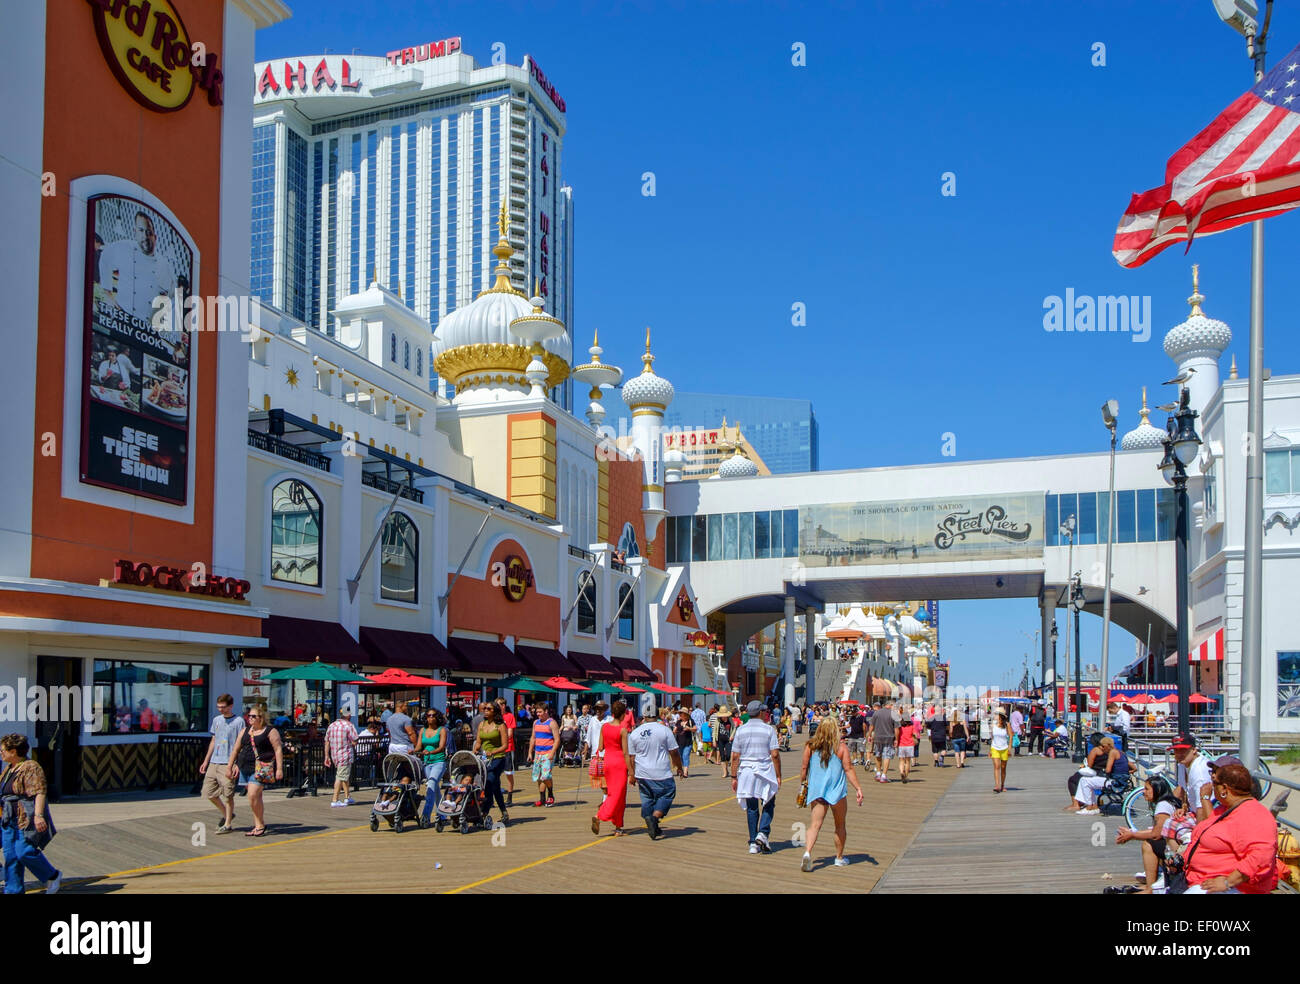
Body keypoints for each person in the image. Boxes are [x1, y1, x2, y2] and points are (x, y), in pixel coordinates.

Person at [1180, 763, 1278, 893]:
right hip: (1198, 879)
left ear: (1224, 789)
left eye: (1215, 783)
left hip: (1232, 888)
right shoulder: (1226, 809)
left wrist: (1228, 882)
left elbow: (1261, 856)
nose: (1212, 787)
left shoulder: (1254, 815)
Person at [798, 716, 864, 871]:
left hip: (817, 791)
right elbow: (848, 769)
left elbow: (803, 767)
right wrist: (858, 788)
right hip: (837, 792)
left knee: (815, 825)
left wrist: (803, 783)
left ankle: (807, 852)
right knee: (840, 825)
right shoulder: (841, 748)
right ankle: (839, 858)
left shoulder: (811, 746)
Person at [0, 734, 62, 894]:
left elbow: (40, 792)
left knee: (24, 851)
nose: (1, 753)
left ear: (13, 751)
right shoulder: (8, 768)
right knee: (11, 856)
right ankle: (13, 890)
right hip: (8, 818)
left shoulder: (31, 766)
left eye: (3, 750)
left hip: (24, 817)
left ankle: (52, 875)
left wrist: (39, 816)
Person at [1114, 774, 1184, 893]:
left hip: (1176, 847)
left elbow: (1156, 834)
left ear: (1157, 790)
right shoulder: (1169, 802)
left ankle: (1150, 887)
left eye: (1147, 789)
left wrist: (1132, 836)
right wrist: (1133, 833)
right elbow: (1158, 830)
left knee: (1148, 844)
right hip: (1178, 842)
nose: (1143, 792)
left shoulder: (1162, 805)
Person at [731, 700, 782, 855]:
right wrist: (778, 775)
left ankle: (753, 842)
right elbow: (774, 754)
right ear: (760, 712)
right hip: (764, 770)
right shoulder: (769, 730)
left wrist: (733, 776)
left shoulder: (741, 730)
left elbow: (735, 756)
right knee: (768, 803)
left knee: (752, 808)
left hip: (746, 771)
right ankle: (763, 832)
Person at [628, 708, 683, 839]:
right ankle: (654, 818)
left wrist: (632, 774)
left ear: (644, 716)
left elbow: (631, 757)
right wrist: (679, 767)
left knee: (647, 798)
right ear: (657, 715)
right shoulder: (664, 730)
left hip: (642, 773)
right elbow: (674, 752)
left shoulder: (635, 733)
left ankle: (653, 825)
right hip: (661, 772)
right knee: (668, 792)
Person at [228, 706, 282, 836]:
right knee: (254, 798)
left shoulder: (270, 731)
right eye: (249, 716)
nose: (250, 718)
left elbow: (278, 749)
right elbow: (236, 749)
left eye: (253, 716)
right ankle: (259, 824)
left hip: (260, 768)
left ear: (261, 718)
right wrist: (230, 766)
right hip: (244, 767)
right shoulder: (245, 731)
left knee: (252, 795)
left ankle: (260, 825)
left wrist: (279, 768)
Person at [199, 693, 245, 833]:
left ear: (230, 706)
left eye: (223, 707)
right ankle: (227, 814)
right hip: (215, 760)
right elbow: (214, 740)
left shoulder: (238, 721)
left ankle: (227, 824)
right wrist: (206, 761)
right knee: (209, 792)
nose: (221, 709)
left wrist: (236, 763)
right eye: (219, 707)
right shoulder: (216, 720)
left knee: (228, 794)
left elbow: (241, 743)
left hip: (228, 762)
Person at [592, 700, 631, 836]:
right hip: (619, 763)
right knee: (618, 795)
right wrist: (631, 771)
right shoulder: (623, 730)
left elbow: (601, 747)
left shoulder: (605, 727)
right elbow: (626, 753)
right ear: (622, 715)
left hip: (608, 761)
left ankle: (619, 827)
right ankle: (599, 816)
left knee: (615, 794)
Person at [1070, 736, 1130, 815]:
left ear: (1107, 746)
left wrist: (1106, 771)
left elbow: (1108, 770)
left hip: (1114, 782)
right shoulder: (1121, 752)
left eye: (1103, 746)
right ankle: (1094, 807)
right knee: (1088, 781)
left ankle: (1089, 807)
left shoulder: (1112, 752)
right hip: (1121, 781)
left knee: (1084, 781)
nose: (1101, 748)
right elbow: (1133, 767)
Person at [472, 703, 510, 823]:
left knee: (489, 781)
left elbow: (505, 745)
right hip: (485, 759)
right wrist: (476, 748)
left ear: (495, 711)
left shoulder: (500, 725)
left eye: (489, 709)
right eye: (484, 709)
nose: (485, 710)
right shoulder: (481, 725)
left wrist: (493, 751)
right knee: (494, 786)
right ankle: (503, 811)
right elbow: (479, 741)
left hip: (498, 758)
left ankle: (484, 811)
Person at [1172, 732, 1215, 823]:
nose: (1179, 754)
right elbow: (1183, 788)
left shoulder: (1199, 772)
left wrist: (1197, 834)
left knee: (1173, 828)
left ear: (1194, 750)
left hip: (1210, 814)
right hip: (1194, 811)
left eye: (1183, 750)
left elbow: (1202, 808)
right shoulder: (1182, 764)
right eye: (1176, 750)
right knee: (1169, 823)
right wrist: (1184, 806)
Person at [417, 709, 449, 825]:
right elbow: (419, 746)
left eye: (433, 715)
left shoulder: (442, 730)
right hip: (427, 763)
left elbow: (441, 747)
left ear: (437, 717)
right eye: (428, 715)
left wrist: (430, 752)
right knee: (435, 789)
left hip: (439, 762)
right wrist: (412, 751)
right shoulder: (422, 730)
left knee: (430, 786)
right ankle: (443, 814)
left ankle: (425, 815)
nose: (430, 717)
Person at [324, 706, 358, 808]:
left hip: (335, 755)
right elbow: (355, 740)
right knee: (340, 777)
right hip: (345, 754)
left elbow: (327, 741)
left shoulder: (332, 725)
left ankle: (347, 797)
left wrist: (326, 756)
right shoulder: (349, 725)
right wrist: (352, 743)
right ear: (348, 715)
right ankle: (335, 799)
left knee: (343, 775)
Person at [527, 703, 559, 806]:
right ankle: (542, 799)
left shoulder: (552, 723)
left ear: (546, 711)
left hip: (548, 753)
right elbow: (533, 738)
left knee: (546, 776)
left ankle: (550, 795)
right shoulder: (536, 722)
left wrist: (552, 753)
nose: (538, 714)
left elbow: (557, 740)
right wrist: (530, 752)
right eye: (537, 712)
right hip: (538, 753)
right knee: (539, 776)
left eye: (540, 712)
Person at [868, 699, 899, 783]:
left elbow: (871, 725)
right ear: (891, 705)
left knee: (878, 754)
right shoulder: (894, 714)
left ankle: (878, 773)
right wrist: (896, 739)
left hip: (877, 737)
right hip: (889, 738)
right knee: (887, 756)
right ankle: (884, 775)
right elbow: (896, 729)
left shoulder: (877, 713)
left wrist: (869, 735)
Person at [494, 697, 517, 806]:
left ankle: (510, 796)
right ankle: (495, 796)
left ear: (503, 705)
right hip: (496, 749)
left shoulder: (509, 716)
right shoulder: (495, 717)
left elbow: (510, 734)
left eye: (498, 705)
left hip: (507, 748)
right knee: (494, 773)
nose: (497, 707)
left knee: (509, 773)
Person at [587, 700, 611, 794]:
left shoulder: (609, 720)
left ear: (604, 710)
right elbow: (588, 735)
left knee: (606, 777)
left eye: (600, 709)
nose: (598, 711)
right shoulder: (593, 719)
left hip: (606, 752)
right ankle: (606, 797)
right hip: (595, 752)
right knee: (598, 776)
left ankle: (606, 799)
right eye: (596, 709)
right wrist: (585, 748)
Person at [989, 710, 1011, 793]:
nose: (995, 717)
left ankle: (1002, 785)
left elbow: (1011, 736)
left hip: (1004, 748)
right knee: (996, 766)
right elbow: (992, 738)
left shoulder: (1007, 725)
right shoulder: (993, 725)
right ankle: (997, 785)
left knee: (1003, 768)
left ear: (1001, 717)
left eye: (997, 715)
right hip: (995, 748)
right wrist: (990, 750)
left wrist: (1009, 748)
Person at [674, 709, 697, 778]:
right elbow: (674, 730)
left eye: (682, 713)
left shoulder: (690, 721)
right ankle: (682, 769)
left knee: (685, 756)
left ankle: (685, 772)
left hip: (688, 742)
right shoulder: (678, 722)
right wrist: (675, 730)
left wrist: (689, 728)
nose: (680, 715)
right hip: (679, 742)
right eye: (680, 713)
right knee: (680, 757)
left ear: (686, 715)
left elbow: (695, 729)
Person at [896, 710, 917, 782]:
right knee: (908, 761)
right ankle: (906, 776)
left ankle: (902, 772)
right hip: (909, 745)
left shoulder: (900, 727)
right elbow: (915, 734)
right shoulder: (911, 726)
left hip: (901, 745)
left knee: (901, 761)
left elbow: (897, 734)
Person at [715, 706, 736, 778]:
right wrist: (714, 740)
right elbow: (714, 731)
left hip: (728, 740)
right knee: (722, 756)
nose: (723, 717)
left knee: (728, 755)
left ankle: (726, 768)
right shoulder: (717, 721)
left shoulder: (730, 720)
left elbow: (734, 728)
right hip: (720, 740)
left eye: (725, 716)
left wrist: (732, 735)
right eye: (722, 716)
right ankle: (724, 772)